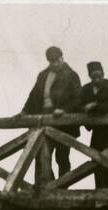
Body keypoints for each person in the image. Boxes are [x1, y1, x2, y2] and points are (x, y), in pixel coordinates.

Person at [22, 46, 82, 179]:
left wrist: (64, 110)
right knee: (40, 154)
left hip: (62, 124)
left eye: (56, 60)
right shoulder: (43, 75)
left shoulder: (71, 75)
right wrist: (24, 111)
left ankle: (63, 187)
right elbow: (33, 96)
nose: (54, 64)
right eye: (51, 61)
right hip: (43, 119)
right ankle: (46, 186)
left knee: (62, 157)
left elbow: (78, 99)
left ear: (62, 58)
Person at [79, 62, 108, 189]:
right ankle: (99, 190)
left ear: (103, 74)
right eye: (93, 76)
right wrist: (84, 109)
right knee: (97, 160)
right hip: (97, 132)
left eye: (98, 75)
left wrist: (96, 106)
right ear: (90, 76)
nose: (96, 79)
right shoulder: (86, 89)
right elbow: (79, 104)